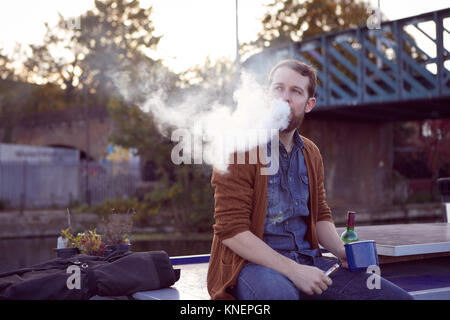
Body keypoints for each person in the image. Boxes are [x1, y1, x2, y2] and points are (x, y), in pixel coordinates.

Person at [206, 59, 413, 300]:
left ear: (309, 104)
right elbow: (231, 231)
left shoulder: (310, 152)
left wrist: (340, 251)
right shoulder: (239, 149)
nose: (284, 98)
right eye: (278, 89)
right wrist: (294, 271)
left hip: (308, 260)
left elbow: (320, 215)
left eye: (295, 91)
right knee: (280, 295)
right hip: (251, 266)